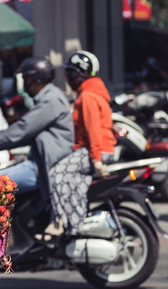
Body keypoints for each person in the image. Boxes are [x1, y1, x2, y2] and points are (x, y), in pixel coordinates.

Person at [0, 57, 74, 200]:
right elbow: (27, 133)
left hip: (44, 166)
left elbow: (25, 127)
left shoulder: (51, 100)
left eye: (25, 77)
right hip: (40, 161)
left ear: (34, 78)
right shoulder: (47, 98)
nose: (23, 82)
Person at [45, 51, 116, 237]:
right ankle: (75, 226)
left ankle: (59, 222)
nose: (66, 77)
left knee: (57, 173)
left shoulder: (87, 96)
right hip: (99, 150)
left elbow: (93, 130)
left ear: (76, 74)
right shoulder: (93, 92)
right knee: (74, 182)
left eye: (68, 72)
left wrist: (96, 160)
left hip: (96, 151)